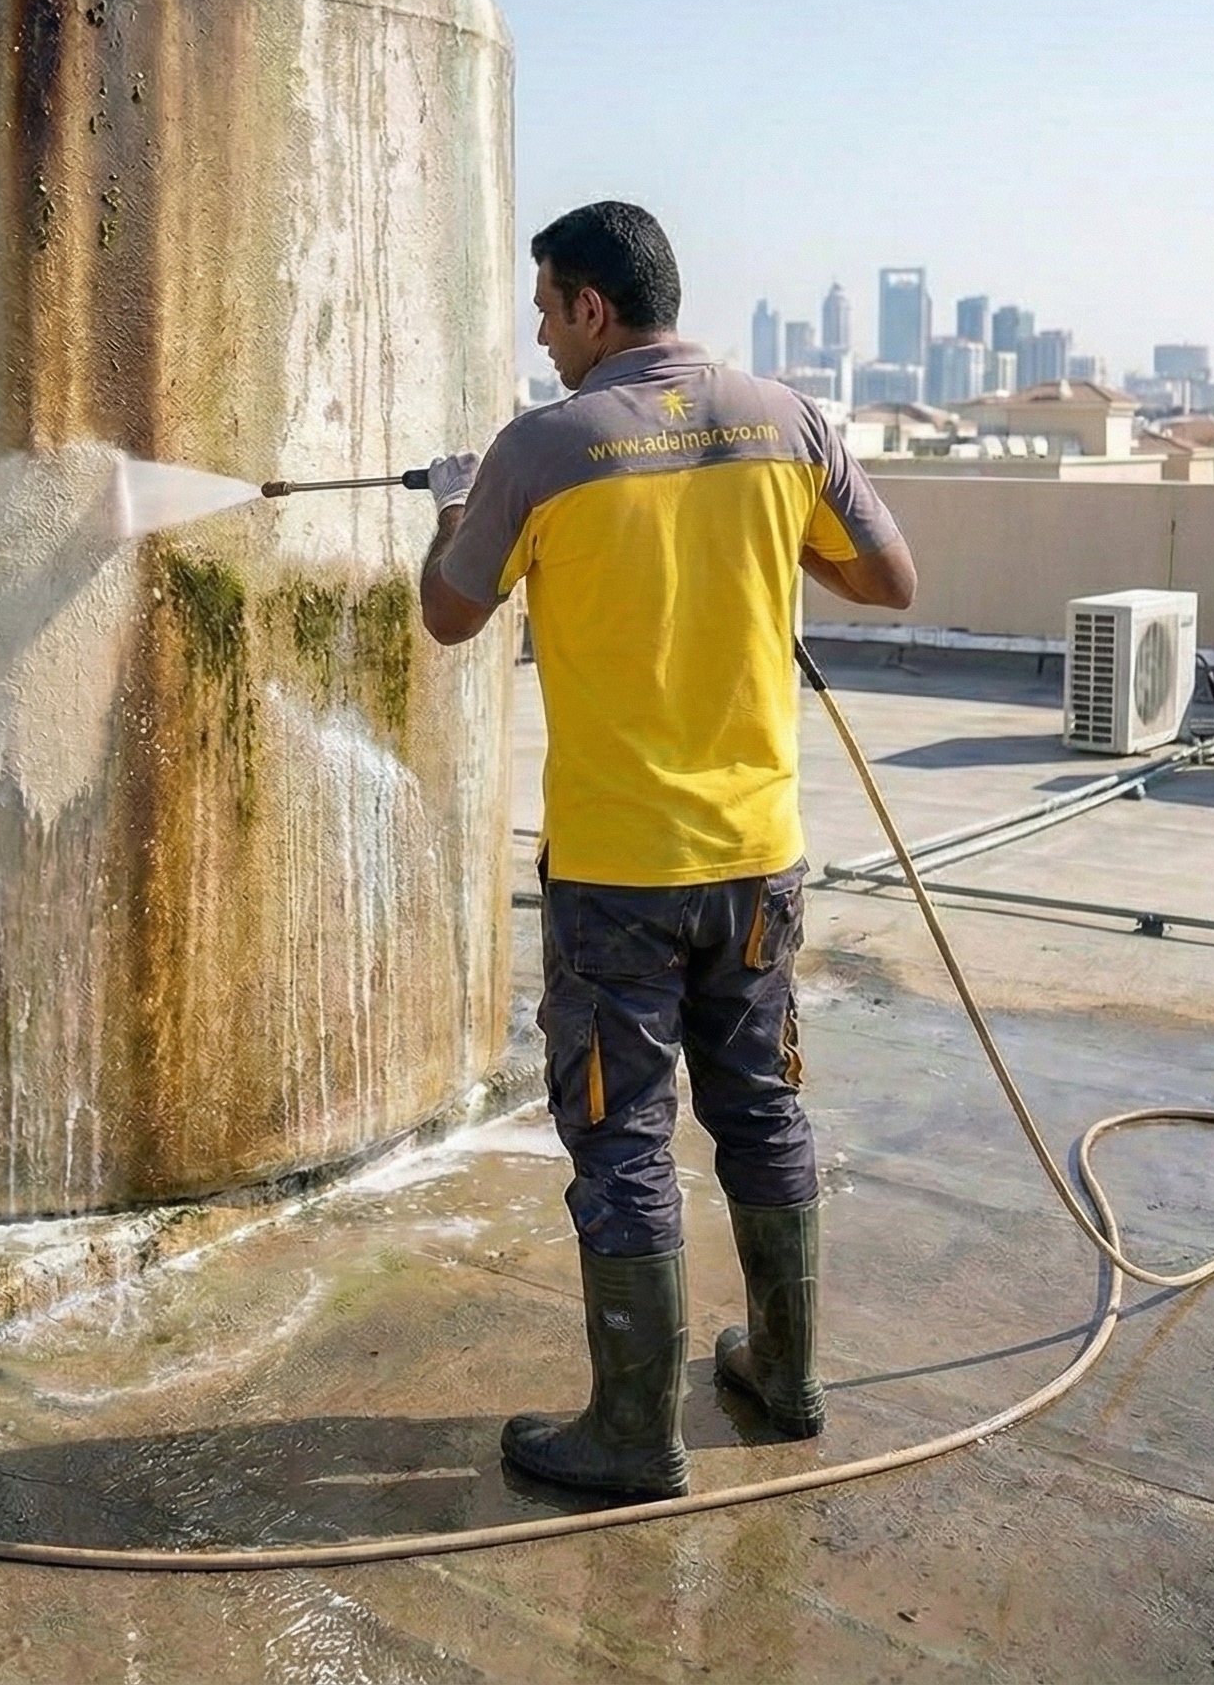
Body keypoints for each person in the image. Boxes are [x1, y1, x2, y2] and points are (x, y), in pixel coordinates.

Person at [418, 201, 915, 1499]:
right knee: (760, 1104)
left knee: (623, 1137)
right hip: (758, 858)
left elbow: (450, 614)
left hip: (619, 871)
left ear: (593, 306)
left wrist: (457, 506)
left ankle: (637, 1435)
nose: (541, 337)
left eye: (546, 311)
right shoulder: (789, 419)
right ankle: (787, 1376)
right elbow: (888, 579)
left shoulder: (542, 447)